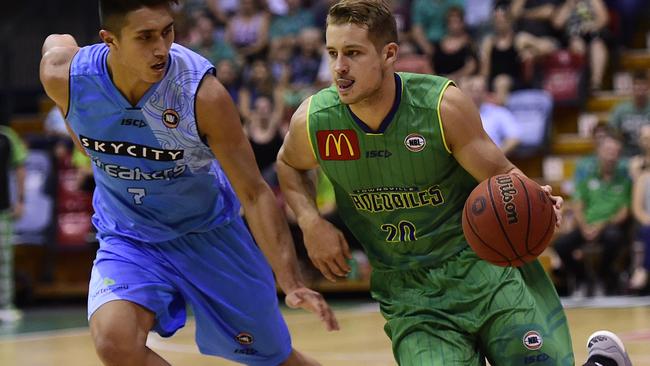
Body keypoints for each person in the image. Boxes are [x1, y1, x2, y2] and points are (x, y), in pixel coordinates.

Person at [39, 1, 338, 365]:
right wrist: (82, 136)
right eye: (145, 37)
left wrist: (290, 283)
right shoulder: (66, 77)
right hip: (130, 236)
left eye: (167, 31)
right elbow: (56, 43)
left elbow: (255, 192)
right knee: (114, 342)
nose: (161, 47)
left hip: (209, 235)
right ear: (109, 40)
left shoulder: (201, 94)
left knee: (274, 358)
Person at [276, 1, 574, 364]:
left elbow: (503, 176)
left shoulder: (441, 107)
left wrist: (539, 201)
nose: (339, 67)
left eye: (353, 53)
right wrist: (310, 222)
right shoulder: (315, 121)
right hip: (411, 295)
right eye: (333, 53)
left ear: (389, 54)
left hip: (485, 269)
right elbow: (287, 165)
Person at [0, 125, 27, 324]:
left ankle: (5, 305)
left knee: (4, 261)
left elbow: (20, 167)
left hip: (2, 209)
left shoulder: (7, 137)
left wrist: (20, 199)